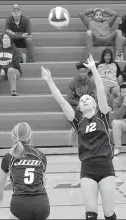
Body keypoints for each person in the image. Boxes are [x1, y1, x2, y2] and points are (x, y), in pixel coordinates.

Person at [42, 55, 117, 220]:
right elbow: (62, 101)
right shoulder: (78, 120)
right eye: (82, 100)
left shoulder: (102, 115)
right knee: (90, 215)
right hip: (87, 169)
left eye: (87, 99)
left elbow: (101, 90)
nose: (84, 100)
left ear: (94, 104)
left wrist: (94, 70)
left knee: (109, 214)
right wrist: (49, 81)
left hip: (106, 167)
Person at [0, 122, 50, 220]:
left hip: (20, 204)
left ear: (13, 136)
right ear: (30, 136)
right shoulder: (41, 156)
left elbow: (0, 183)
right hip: (42, 204)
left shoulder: (9, 157)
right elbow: (43, 182)